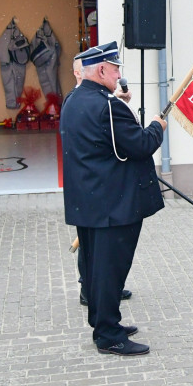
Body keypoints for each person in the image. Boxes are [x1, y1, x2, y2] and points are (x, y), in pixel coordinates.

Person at [60, 41, 167, 356]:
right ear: (103, 70)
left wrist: (115, 104)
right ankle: (109, 335)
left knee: (95, 268)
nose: (120, 74)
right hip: (114, 203)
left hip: (87, 200)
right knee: (110, 271)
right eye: (116, 68)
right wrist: (157, 126)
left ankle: (102, 320)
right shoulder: (109, 107)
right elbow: (140, 145)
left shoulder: (73, 100)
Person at [63, 53, 133, 307]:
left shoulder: (81, 101)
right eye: (79, 70)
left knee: (94, 249)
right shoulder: (79, 100)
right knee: (95, 251)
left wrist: (119, 102)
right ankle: (91, 291)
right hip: (94, 189)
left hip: (85, 188)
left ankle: (101, 292)